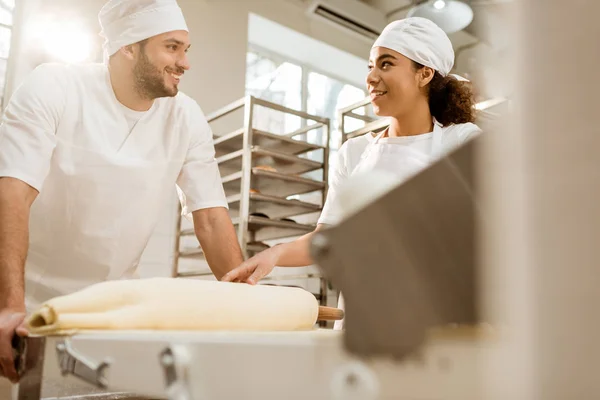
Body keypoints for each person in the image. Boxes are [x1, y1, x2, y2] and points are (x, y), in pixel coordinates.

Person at [0, 0, 243, 383]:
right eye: (172, 47)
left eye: (186, 49)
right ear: (129, 46)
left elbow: (211, 219)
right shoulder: (55, 87)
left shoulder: (186, 116)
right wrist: (7, 305)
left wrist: (249, 308)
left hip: (109, 312)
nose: (185, 63)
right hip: (26, 303)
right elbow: (13, 192)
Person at [221, 17, 482, 328]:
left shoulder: (462, 142)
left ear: (424, 74)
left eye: (386, 64)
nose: (371, 77)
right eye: (370, 66)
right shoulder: (355, 152)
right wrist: (273, 254)